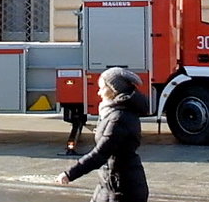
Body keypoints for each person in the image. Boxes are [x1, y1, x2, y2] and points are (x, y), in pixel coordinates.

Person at [57, 67, 149, 202]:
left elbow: (100, 154)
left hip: (123, 188)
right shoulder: (113, 112)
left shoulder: (118, 118)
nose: (99, 92)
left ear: (114, 90)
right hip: (109, 183)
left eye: (102, 88)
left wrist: (70, 174)